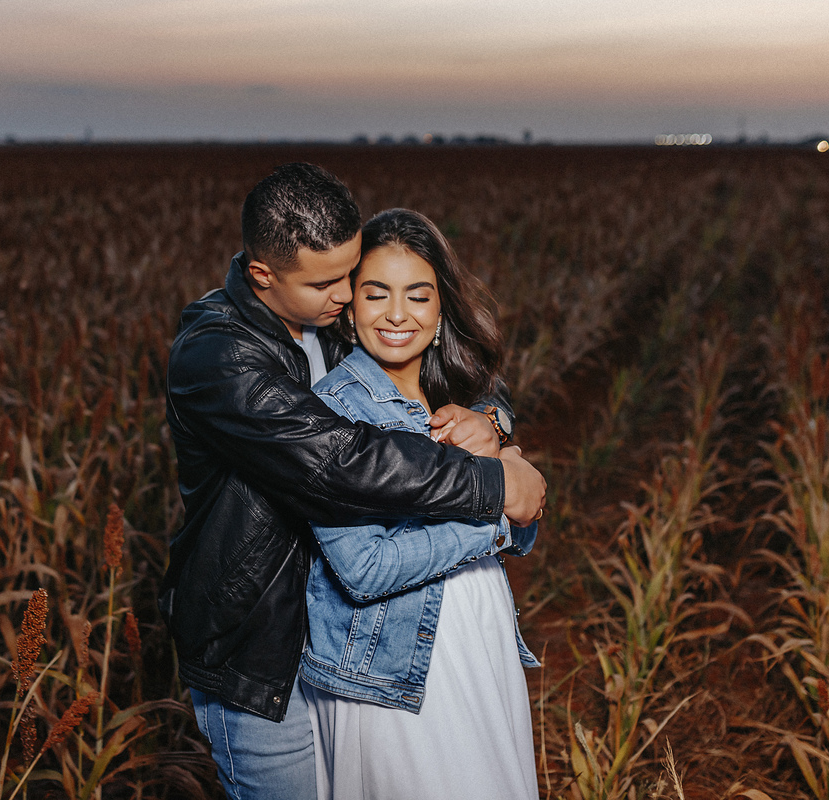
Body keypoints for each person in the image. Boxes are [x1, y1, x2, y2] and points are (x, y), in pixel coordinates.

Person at [159, 163, 546, 799]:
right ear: (263, 275)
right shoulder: (219, 355)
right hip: (260, 651)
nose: (345, 294)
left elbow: (433, 360)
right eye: (329, 282)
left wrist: (489, 419)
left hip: (334, 635)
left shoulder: (325, 319)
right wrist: (495, 492)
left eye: (351, 275)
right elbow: (341, 460)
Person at [301, 208, 541, 799]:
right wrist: (500, 514)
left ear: (439, 310)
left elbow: (524, 516)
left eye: (417, 295)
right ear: (349, 308)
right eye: (376, 294)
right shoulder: (332, 411)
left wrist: (508, 464)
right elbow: (364, 568)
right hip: (391, 665)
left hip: (477, 633)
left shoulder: (462, 399)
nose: (397, 314)